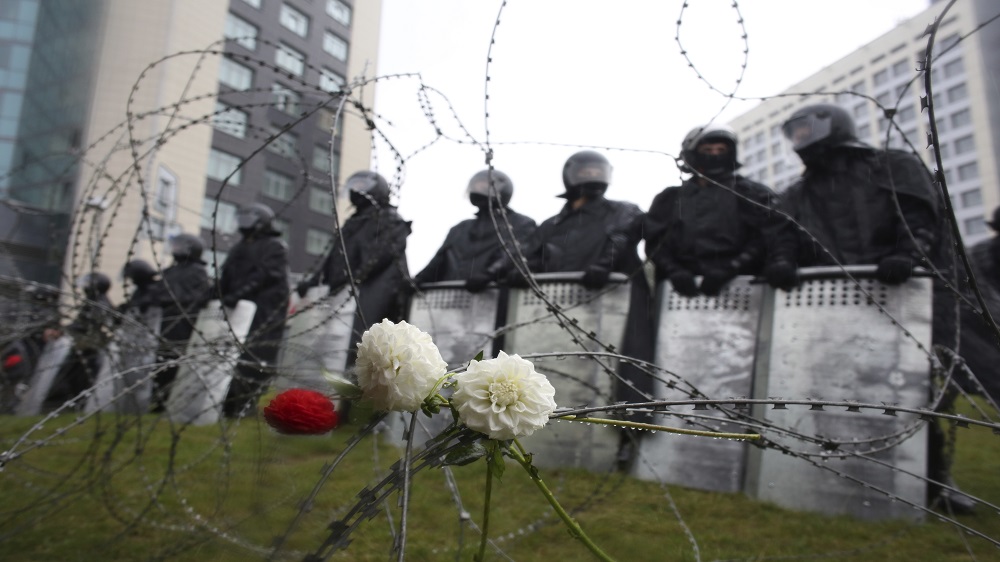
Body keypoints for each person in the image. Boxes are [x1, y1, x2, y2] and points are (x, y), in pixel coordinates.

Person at [765, 103, 974, 514]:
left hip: (898, 292)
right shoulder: (798, 191)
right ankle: (840, 466)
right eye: (795, 134)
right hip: (833, 303)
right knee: (837, 384)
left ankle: (935, 478)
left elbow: (921, 217)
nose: (800, 140)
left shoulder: (890, 165)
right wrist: (782, 262)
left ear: (832, 126)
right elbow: (783, 233)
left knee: (913, 388)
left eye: (806, 130)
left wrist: (906, 254)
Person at [514, 150, 654, 468]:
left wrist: (607, 259)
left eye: (597, 170)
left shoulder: (622, 210)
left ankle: (627, 438)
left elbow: (625, 231)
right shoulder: (552, 224)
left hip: (616, 307)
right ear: (571, 175)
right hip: (560, 312)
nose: (592, 176)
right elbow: (530, 255)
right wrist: (519, 269)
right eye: (585, 170)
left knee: (625, 370)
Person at [644, 124, 783, 296]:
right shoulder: (670, 198)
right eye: (708, 149)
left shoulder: (753, 194)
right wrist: (674, 270)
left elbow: (769, 236)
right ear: (693, 153)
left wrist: (733, 267)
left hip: (744, 288)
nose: (715, 154)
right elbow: (655, 241)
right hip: (680, 292)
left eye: (721, 149)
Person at [297, 171, 412, 368]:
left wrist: (352, 278)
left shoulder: (389, 219)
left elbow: (379, 257)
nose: (356, 191)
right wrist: (315, 280)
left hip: (372, 298)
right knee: (334, 352)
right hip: (346, 297)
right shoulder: (353, 222)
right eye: (354, 186)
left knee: (362, 351)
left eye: (362, 185)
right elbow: (334, 257)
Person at [218, 203, 290, 418]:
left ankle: (244, 402)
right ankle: (226, 400)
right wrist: (217, 294)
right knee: (229, 353)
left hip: (264, 312)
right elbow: (226, 275)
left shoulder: (274, 246)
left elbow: (264, 275)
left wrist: (239, 294)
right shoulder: (239, 247)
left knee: (255, 354)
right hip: (238, 310)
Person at [414, 169, 536, 292]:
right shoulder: (460, 228)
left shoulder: (520, 223)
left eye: (484, 186)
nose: (478, 189)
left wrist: (489, 274)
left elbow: (512, 254)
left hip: (492, 294)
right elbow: (439, 260)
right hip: (452, 295)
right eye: (476, 185)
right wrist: (419, 279)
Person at [150, 233, 211, 411]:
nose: (175, 250)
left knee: (174, 359)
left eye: (179, 246)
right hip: (166, 320)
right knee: (161, 359)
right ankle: (159, 397)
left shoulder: (197, 271)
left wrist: (171, 298)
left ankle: (170, 398)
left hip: (182, 322)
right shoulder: (172, 270)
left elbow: (197, 297)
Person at [44, 272, 115, 410]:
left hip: (88, 348)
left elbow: (87, 324)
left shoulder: (99, 303)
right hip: (83, 346)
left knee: (77, 379)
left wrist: (62, 330)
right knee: (73, 378)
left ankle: (65, 406)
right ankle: (64, 405)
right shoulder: (94, 301)